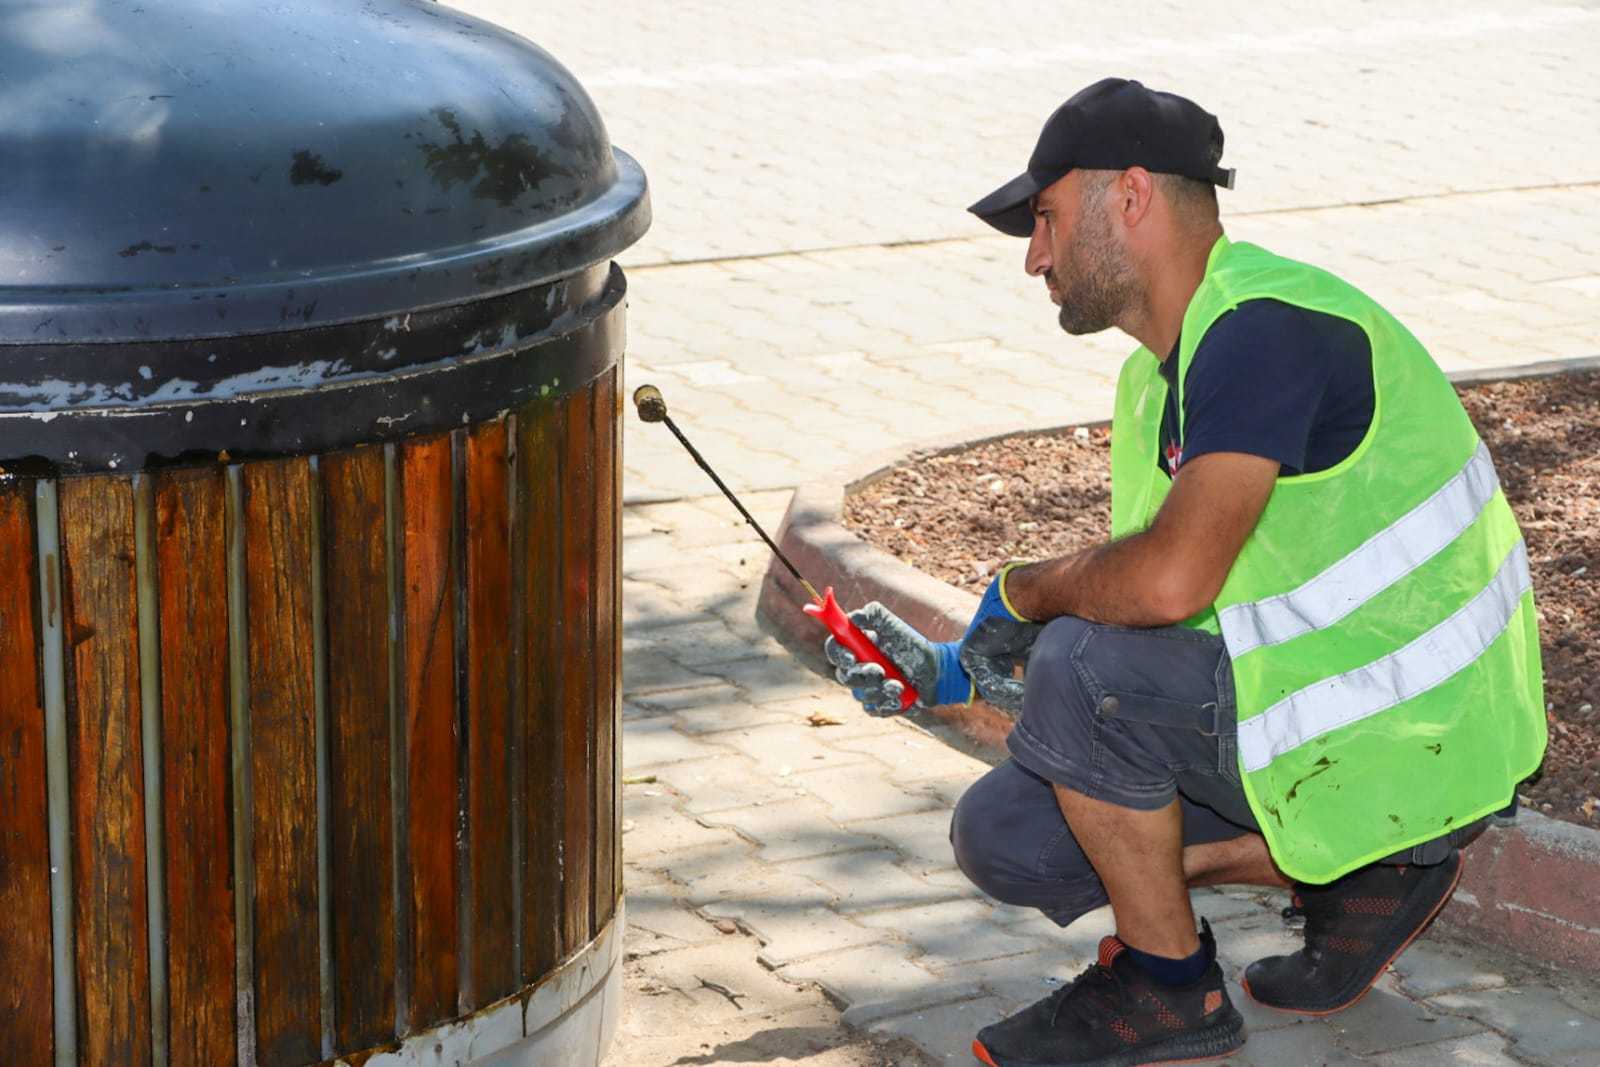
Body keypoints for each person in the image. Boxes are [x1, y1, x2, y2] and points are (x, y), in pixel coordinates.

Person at [825, 77, 1546, 1067]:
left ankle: (1169, 985)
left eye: (1043, 218)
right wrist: (951, 672)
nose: (1034, 257)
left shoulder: (1263, 325)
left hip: (1424, 726)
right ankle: (1354, 871)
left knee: (1079, 663)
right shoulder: (1156, 381)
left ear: (1128, 195)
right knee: (1005, 835)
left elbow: (1163, 588)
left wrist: (1021, 593)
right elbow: (1158, 634)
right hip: (1326, 711)